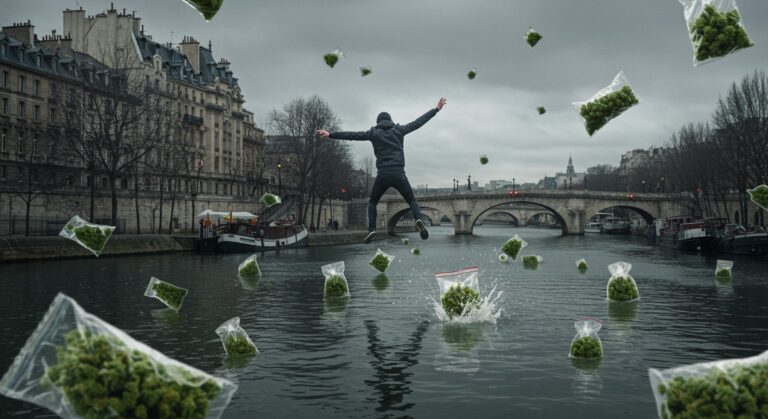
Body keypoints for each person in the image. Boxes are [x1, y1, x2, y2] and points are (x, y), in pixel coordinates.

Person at [316, 97, 446, 243]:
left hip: (383, 174)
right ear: (390, 120)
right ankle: (418, 219)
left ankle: (372, 229)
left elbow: (352, 135)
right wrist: (435, 110)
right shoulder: (399, 130)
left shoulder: (373, 133)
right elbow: (418, 123)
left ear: (378, 122)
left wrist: (330, 134)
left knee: (372, 202)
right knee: (411, 200)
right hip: (399, 173)